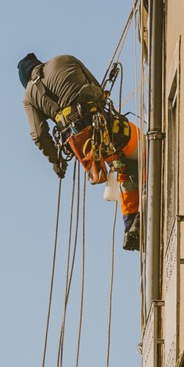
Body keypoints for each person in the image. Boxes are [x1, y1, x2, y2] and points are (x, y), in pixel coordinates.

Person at [18, 52, 141, 251]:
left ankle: (131, 225)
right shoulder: (64, 59)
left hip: (83, 146)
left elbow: (39, 134)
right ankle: (142, 208)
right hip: (105, 127)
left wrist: (56, 161)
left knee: (121, 165)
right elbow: (97, 89)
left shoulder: (29, 96)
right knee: (146, 147)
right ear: (39, 63)